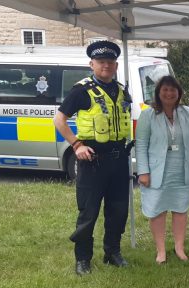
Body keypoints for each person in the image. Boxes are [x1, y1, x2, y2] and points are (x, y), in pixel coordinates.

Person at [53, 40, 132, 275]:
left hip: (118, 160)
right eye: (101, 62)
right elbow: (59, 119)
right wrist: (76, 144)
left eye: (110, 62)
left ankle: (112, 252)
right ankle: (83, 258)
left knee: (118, 211)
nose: (106, 65)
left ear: (116, 65)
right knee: (88, 212)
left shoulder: (121, 90)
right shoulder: (81, 90)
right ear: (92, 64)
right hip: (92, 161)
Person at [135, 76, 189, 264]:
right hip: (156, 170)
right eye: (165, 89)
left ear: (178, 93)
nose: (169, 93)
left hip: (182, 168)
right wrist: (143, 171)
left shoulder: (187, 112)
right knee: (158, 209)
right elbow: (140, 144)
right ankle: (161, 251)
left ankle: (179, 248)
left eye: (173, 90)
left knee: (181, 208)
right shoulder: (148, 114)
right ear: (158, 93)